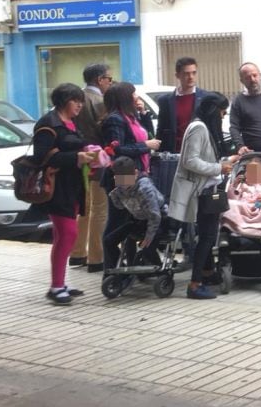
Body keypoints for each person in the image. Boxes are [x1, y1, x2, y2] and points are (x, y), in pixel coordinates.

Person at [33, 83, 99, 306]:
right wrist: (76, 158)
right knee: (68, 234)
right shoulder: (48, 124)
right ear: (63, 102)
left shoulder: (70, 122)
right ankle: (56, 286)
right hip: (56, 187)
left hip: (72, 184)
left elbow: (74, 147)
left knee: (64, 236)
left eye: (80, 100)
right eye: (75, 100)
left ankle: (59, 283)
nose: (80, 104)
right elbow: (41, 157)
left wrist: (88, 152)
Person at [167, 92, 237, 299]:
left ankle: (207, 273)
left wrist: (225, 161)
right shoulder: (198, 127)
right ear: (214, 111)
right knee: (206, 237)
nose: (223, 117)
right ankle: (195, 284)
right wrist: (218, 168)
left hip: (206, 190)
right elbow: (190, 161)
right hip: (201, 192)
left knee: (207, 235)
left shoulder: (201, 126)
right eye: (222, 113)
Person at [101, 82, 162, 272]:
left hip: (138, 175)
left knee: (132, 221)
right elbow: (118, 149)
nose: (137, 98)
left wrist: (144, 115)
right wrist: (146, 146)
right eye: (134, 95)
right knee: (118, 223)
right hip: (123, 176)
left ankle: (135, 265)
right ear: (124, 97)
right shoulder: (115, 120)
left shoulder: (131, 117)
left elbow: (147, 135)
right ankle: (112, 268)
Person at [70, 62, 112, 274]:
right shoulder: (101, 102)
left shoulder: (76, 98)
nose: (110, 83)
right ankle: (97, 257)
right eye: (109, 79)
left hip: (79, 158)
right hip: (99, 158)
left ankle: (77, 252)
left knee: (84, 207)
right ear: (100, 79)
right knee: (100, 209)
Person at [105, 155, 166, 264]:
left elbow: (155, 215)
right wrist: (114, 193)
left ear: (135, 173)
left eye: (126, 178)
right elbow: (120, 206)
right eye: (119, 178)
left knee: (147, 248)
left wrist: (149, 236)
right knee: (108, 241)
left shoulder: (145, 188)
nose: (123, 183)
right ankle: (120, 272)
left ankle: (159, 268)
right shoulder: (121, 187)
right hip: (138, 220)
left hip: (159, 221)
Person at [155, 57, 208, 154]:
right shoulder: (165, 101)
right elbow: (161, 130)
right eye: (186, 73)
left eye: (194, 73)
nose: (191, 76)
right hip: (174, 154)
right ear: (177, 75)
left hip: (199, 154)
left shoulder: (205, 98)